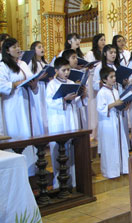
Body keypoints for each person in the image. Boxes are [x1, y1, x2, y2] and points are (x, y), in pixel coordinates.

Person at [0, 37, 41, 176]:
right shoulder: (2, 66)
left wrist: (33, 84)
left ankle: (31, 171)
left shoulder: (22, 63)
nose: (18, 49)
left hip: (26, 101)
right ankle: (18, 171)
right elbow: (2, 86)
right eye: (14, 47)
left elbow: (30, 78)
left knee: (29, 131)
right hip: (13, 104)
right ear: (7, 50)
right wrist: (16, 83)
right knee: (18, 133)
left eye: (18, 46)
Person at [46, 57, 87, 188]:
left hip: (71, 118)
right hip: (58, 121)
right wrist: (64, 99)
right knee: (59, 151)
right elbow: (49, 102)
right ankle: (59, 183)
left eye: (68, 69)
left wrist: (82, 95)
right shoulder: (51, 85)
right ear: (56, 70)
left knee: (72, 150)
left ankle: (73, 182)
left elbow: (77, 102)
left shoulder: (71, 82)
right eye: (64, 70)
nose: (67, 72)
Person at [97, 67, 129, 178]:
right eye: (111, 77)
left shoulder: (115, 91)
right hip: (108, 123)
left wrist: (124, 106)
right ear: (104, 79)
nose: (114, 78)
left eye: (114, 76)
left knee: (119, 144)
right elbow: (101, 109)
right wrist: (114, 104)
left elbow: (117, 105)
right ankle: (110, 172)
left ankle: (122, 168)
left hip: (117, 120)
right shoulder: (102, 92)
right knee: (110, 146)